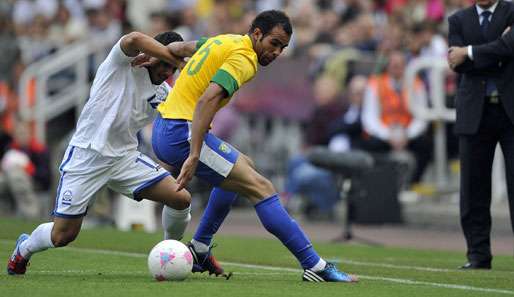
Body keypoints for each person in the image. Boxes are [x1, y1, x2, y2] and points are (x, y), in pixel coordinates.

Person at [152, 10, 357, 282]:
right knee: (262, 187)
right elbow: (206, 100)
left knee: (242, 165)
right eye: (274, 43)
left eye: (283, 48)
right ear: (257, 34)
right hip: (181, 133)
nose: (277, 52)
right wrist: (194, 153)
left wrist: (155, 56)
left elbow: (178, 47)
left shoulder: (224, 40)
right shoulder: (245, 58)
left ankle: (200, 248)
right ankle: (315, 266)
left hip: (165, 127)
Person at [7, 31, 193, 275]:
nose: (168, 72)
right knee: (62, 235)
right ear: (152, 53)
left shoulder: (164, 95)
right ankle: (24, 248)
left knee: (181, 198)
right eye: (165, 63)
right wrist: (178, 59)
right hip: (87, 156)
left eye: (173, 67)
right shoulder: (121, 64)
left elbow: (184, 120)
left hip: (124, 159)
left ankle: (171, 252)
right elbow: (133, 39)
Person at [446, 0, 514, 269]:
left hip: (510, 112)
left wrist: (470, 52)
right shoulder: (457, 20)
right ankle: (477, 254)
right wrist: (500, 49)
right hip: (474, 111)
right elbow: (456, 63)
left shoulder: (511, 10)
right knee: (473, 188)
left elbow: (511, 47)